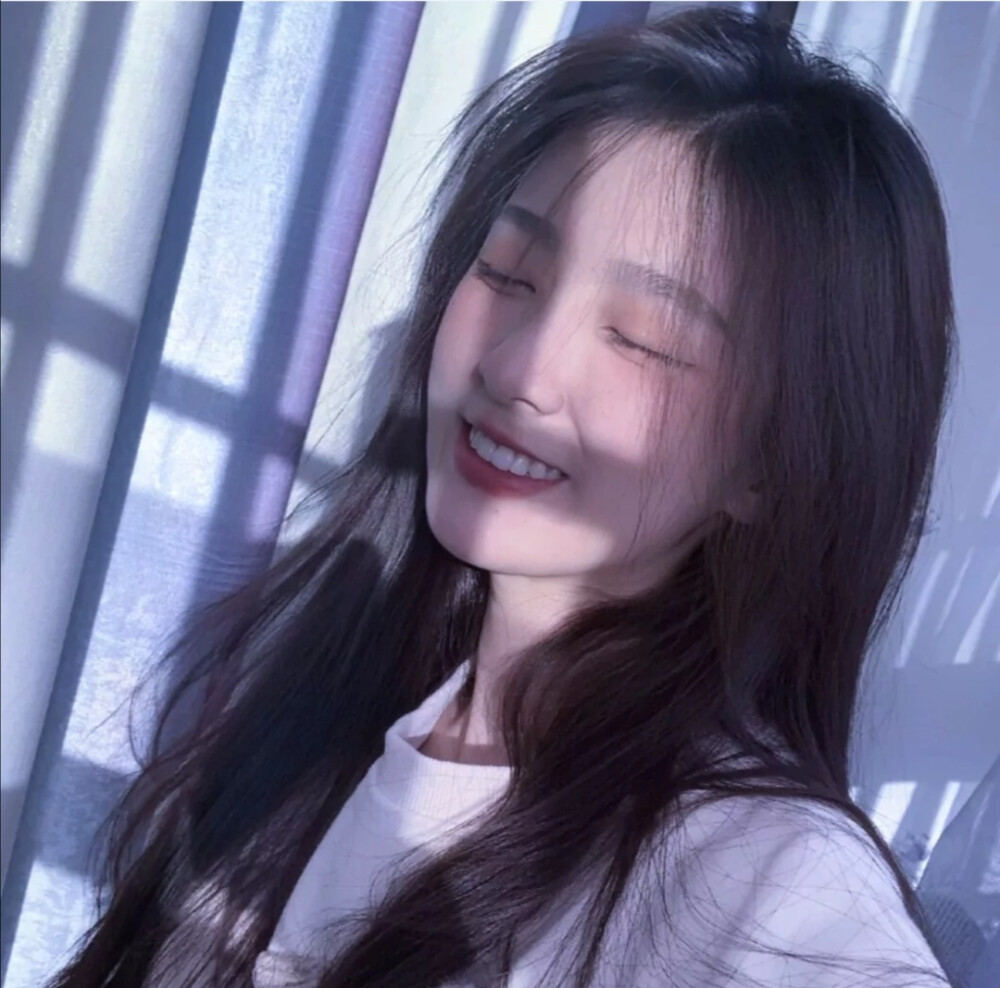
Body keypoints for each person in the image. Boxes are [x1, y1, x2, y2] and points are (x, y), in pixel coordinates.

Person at [53, 8, 954, 987]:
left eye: (644, 339)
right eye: (509, 273)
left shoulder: (769, 889)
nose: (520, 368)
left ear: (770, 465)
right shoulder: (324, 704)